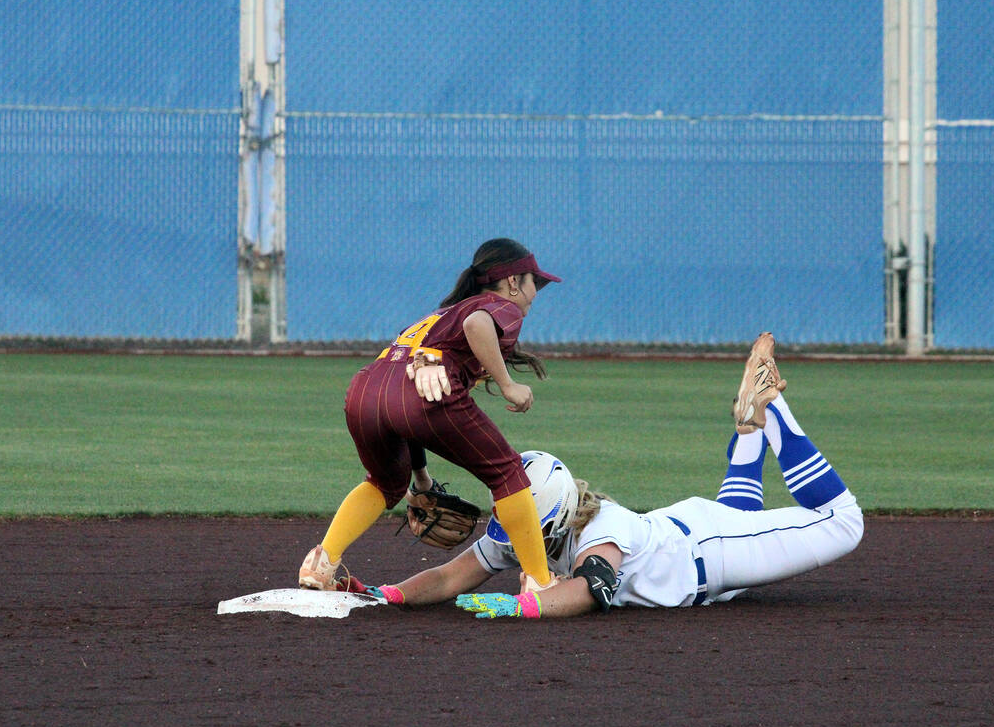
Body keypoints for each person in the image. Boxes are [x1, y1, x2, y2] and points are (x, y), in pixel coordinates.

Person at [346, 333, 865, 619]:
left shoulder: (600, 531)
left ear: (552, 517)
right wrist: (388, 593)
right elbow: (450, 576)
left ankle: (771, 409)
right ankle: (749, 424)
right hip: (694, 535)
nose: (510, 521)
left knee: (844, 522)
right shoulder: (533, 530)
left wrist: (518, 605)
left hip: (712, 550)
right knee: (743, 515)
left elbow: (592, 587)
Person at [298, 237, 563, 593]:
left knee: (384, 482)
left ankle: (321, 562)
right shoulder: (496, 306)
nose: (536, 293)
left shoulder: (440, 316)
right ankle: (541, 583)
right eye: (535, 282)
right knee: (508, 473)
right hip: (415, 396)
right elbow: (476, 326)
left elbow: (402, 396)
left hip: (364, 391)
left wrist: (420, 479)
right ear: (513, 281)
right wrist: (507, 384)